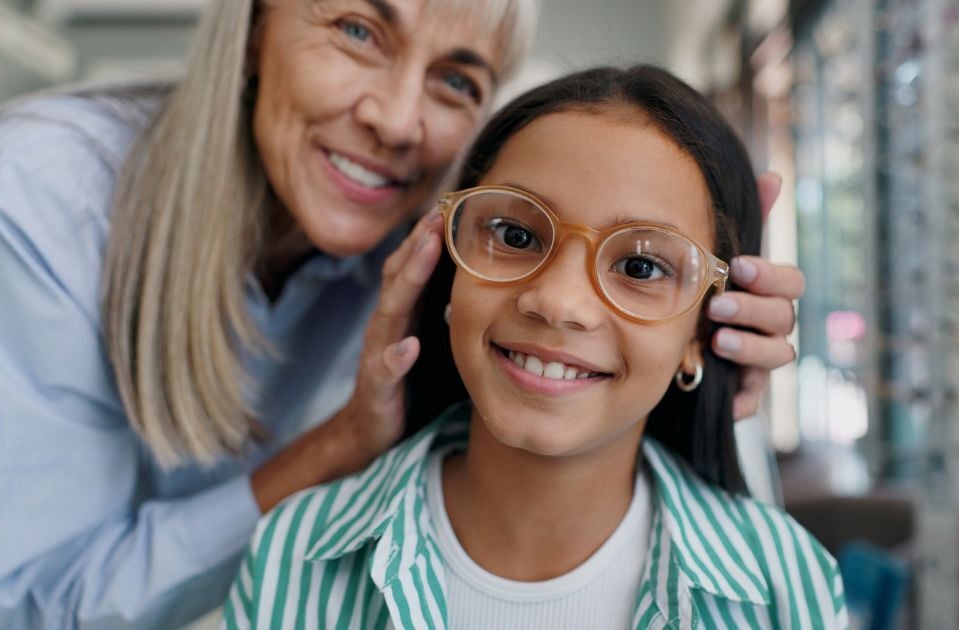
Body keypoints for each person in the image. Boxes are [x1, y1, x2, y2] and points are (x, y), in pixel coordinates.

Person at [0, 1, 804, 628]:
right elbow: (31, 603)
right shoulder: (44, 195)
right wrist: (339, 446)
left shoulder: (440, 212)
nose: (398, 121)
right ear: (257, 26)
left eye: (455, 79)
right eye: (359, 31)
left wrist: (698, 328)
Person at [222, 65, 845, 630]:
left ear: (701, 334)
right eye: (516, 233)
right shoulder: (294, 553)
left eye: (642, 266)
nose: (558, 302)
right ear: (448, 268)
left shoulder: (783, 584)